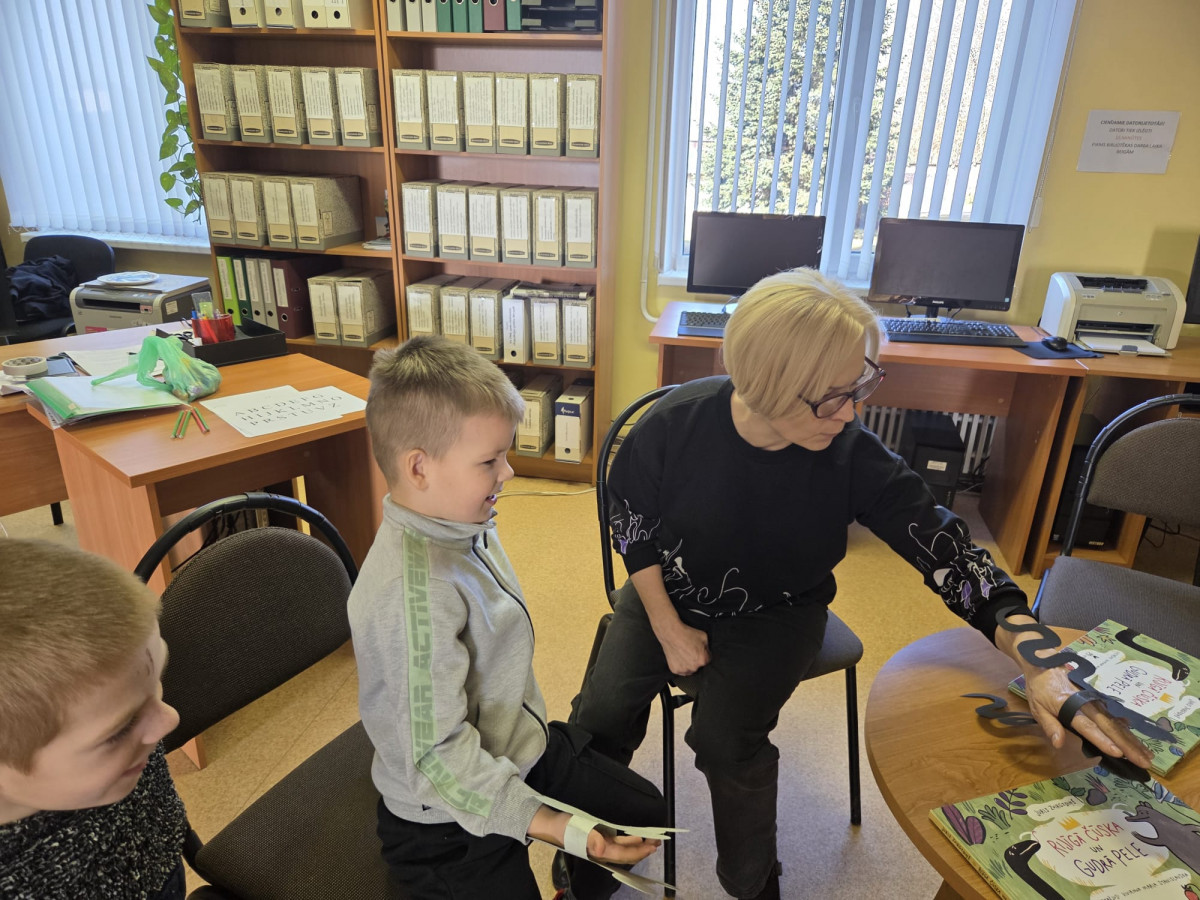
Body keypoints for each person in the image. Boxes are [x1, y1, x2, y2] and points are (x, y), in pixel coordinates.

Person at [569, 268, 1153, 900]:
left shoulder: (851, 454)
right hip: (665, 593)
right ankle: (588, 858)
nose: (850, 412)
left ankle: (752, 885)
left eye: (859, 387)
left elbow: (948, 553)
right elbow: (632, 528)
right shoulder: (672, 425)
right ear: (767, 384)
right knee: (600, 718)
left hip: (778, 612)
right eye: (831, 397)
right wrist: (666, 627)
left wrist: (1039, 660)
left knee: (726, 743)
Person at [351, 335, 668, 900]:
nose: (509, 472)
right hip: (444, 822)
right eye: (489, 461)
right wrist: (557, 827)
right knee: (584, 838)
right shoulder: (411, 596)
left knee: (642, 815)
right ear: (419, 467)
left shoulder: (462, 520)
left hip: (514, 746)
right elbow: (438, 761)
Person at [0, 539, 187, 900]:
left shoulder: (108, 742)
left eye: (156, 683)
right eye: (122, 728)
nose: (169, 720)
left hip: (160, 862)